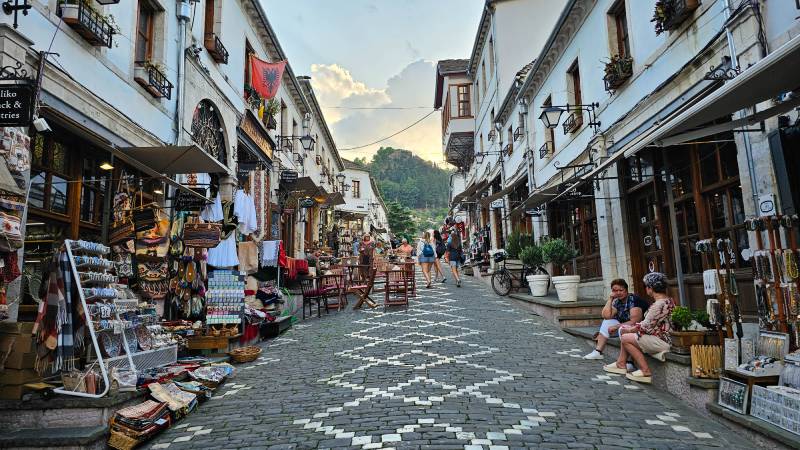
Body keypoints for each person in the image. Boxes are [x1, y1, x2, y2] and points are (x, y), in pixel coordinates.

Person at [603, 272, 675, 384]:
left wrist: (628, 329)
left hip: (662, 341)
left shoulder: (658, 305)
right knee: (625, 332)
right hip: (662, 337)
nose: (646, 289)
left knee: (625, 337)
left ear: (650, 288)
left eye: (646, 286)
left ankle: (645, 371)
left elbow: (644, 326)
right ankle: (621, 363)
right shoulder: (667, 300)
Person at [583, 279, 649, 360]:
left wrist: (616, 326)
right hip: (624, 327)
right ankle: (598, 352)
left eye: (621, 290)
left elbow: (635, 322)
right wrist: (610, 299)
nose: (618, 293)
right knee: (607, 322)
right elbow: (606, 316)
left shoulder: (634, 300)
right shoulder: (617, 301)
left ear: (626, 290)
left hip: (641, 328)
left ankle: (629, 362)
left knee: (624, 329)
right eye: (615, 290)